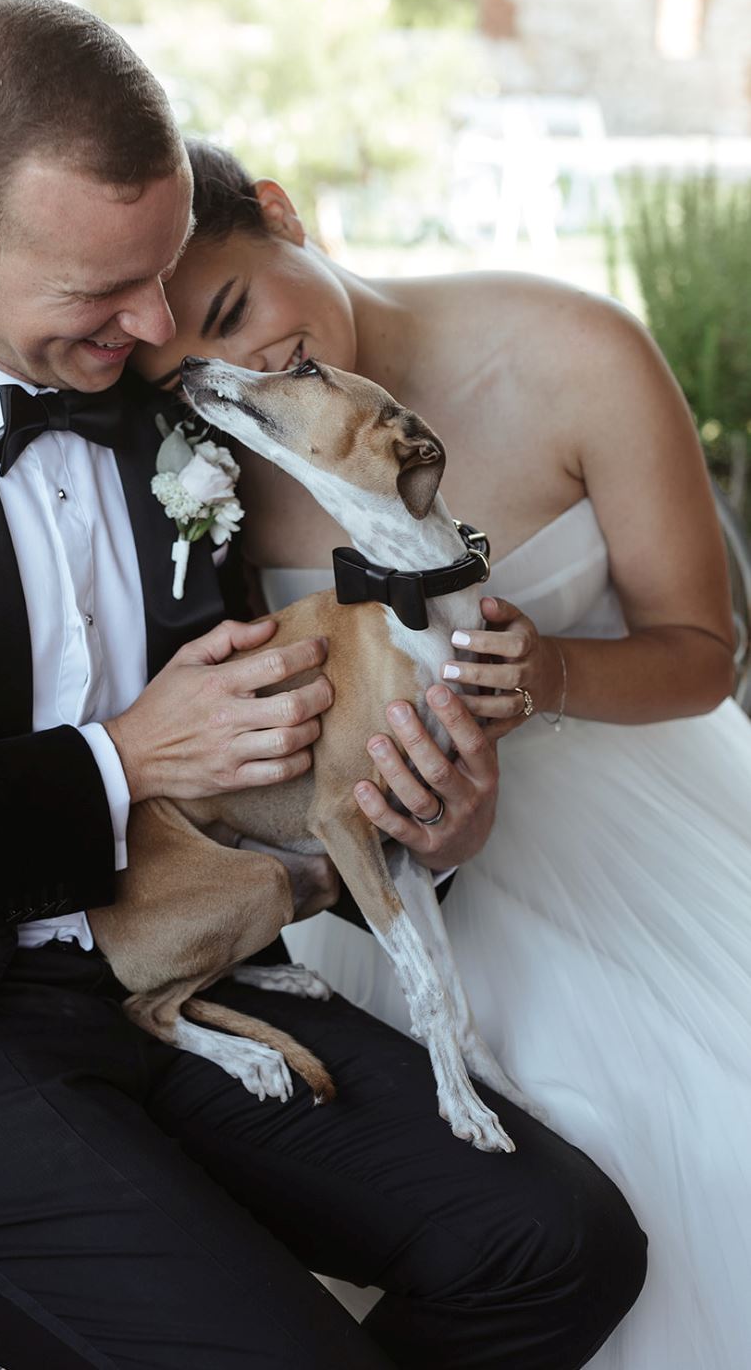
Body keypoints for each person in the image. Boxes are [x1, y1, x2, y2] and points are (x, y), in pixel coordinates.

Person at [0, 0, 647, 1370]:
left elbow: (349, 692)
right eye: (100, 293)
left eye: (166, 270)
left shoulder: (179, 400)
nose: (162, 328)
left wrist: (441, 816)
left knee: (558, 1243)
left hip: (204, 956)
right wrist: (120, 760)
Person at [131, 138, 751, 1368]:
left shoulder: (574, 350)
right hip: (365, 861)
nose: (241, 366)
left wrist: (548, 676)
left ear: (279, 208)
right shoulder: (215, 471)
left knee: (689, 1123)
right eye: (189, 367)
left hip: (619, 796)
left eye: (234, 307)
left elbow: (703, 652)